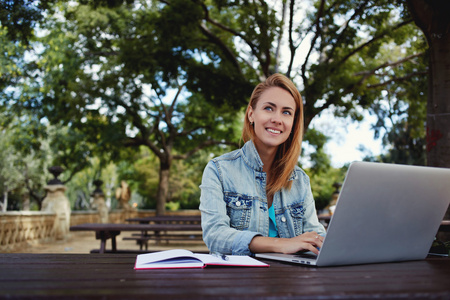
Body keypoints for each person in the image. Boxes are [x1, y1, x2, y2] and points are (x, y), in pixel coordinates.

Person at [199, 73, 326, 256]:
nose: (277, 119)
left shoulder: (300, 180)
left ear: (293, 123)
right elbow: (215, 236)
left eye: (286, 112)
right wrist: (281, 244)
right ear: (251, 114)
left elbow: (316, 234)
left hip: (291, 282)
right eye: (268, 108)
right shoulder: (219, 170)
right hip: (238, 281)